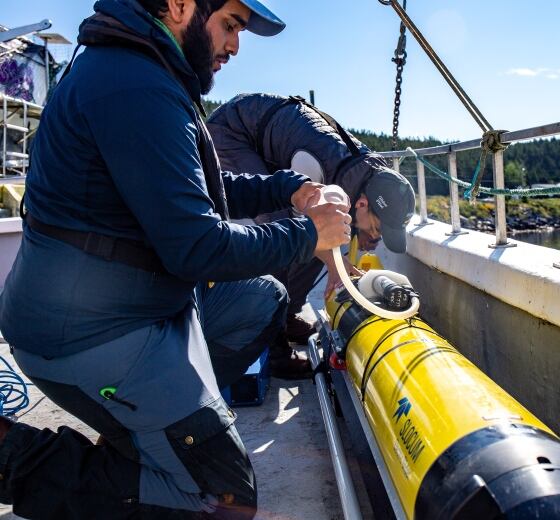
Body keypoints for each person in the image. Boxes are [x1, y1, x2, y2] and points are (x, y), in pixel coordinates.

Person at [0, 0, 352, 518]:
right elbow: (197, 247)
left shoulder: (142, 70)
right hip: (89, 334)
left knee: (263, 300)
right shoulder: (135, 86)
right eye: (230, 25)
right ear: (181, 5)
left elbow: (196, 187)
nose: (234, 46)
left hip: (140, 304)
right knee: (221, 500)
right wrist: (308, 235)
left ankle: (155, 436)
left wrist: (291, 188)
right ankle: (13, 456)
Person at [207, 94, 416, 357]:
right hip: (232, 132)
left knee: (328, 235)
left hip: (276, 139)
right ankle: (275, 347)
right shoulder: (315, 167)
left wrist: (334, 258)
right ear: (362, 204)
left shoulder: (367, 176)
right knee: (283, 232)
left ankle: (287, 313)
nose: (373, 241)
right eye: (376, 230)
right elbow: (301, 227)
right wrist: (333, 263)